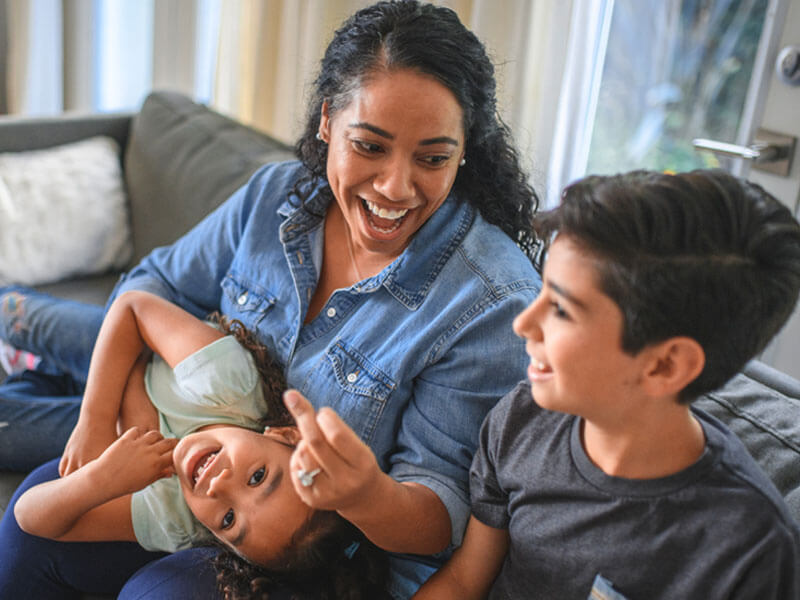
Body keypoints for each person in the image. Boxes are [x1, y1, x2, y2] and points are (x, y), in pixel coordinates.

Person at [0, 1, 541, 598]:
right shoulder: (279, 198)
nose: (396, 186)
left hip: (290, 549)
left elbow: (441, 521)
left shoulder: (493, 302)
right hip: (174, 427)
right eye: (370, 146)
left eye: (433, 158)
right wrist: (117, 418)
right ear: (329, 121)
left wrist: (366, 495)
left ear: (464, 151)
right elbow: (153, 284)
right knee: (31, 524)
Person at [413, 169, 800, 599]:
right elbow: (466, 580)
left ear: (666, 366)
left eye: (561, 310)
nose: (523, 323)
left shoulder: (749, 549)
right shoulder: (521, 422)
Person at [13, 290, 388, 600]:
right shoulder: (227, 385)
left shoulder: (177, 517)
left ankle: (37, 376)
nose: (219, 485)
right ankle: (47, 369)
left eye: (228, 519)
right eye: (258, 477)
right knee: (16, 316)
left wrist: (101, 480)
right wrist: (94, 421)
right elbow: (131, 309)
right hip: (122, 349)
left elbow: (30, 519)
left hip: (118, 414)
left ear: (218, 543)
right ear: (284, 435)